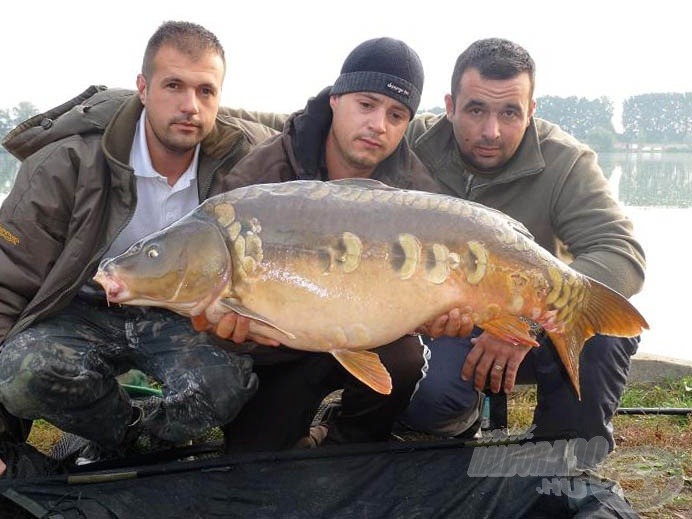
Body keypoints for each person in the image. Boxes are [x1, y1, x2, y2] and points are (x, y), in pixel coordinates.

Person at [0, 21, 278, 462]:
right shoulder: (67, 162)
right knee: (20, 372)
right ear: (143, 89)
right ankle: (124, 432)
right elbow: (7, 280)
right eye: (174, 86)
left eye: (206, 91)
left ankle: (153, 435)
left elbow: (307, 139)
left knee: (225, 387)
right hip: (87, 305)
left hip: (182, 317)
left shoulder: (245, 162)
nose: (190, 106)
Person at [399, 38, 646, 467]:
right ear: (450, 105)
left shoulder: (566, 161)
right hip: (444, 324)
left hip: (532, 329)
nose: (491, 131)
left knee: (599, 327)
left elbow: (620, 253)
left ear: (531, 111)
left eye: (510, 113)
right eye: (476, 110)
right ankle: (452, 417)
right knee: (431, 403)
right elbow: (325, 127)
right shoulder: (413, 141)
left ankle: (563, 464)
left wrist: (523, 324)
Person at [208, 36, 459, 452]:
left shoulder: (416, 193)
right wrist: (227, 329)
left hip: (370, 334)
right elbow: (219, 295)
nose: (379, 124)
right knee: (256, 457)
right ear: (336, 98)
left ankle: (349, 439)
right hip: (281, 348)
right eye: (366, 104)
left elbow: (425, 301)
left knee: (405, 360)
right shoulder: (263, 175)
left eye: (396, 114)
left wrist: (437, 316)